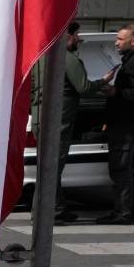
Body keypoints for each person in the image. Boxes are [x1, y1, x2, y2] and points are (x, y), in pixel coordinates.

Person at [30, 21, 92, 223]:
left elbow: (31, 90)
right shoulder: (67, 59)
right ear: (67, 36)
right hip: (59, 122)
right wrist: (104, 83)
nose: (78, 39)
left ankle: (51, 209)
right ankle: (51, 212)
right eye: (76, 35)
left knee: (46, 168)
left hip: (41, 119)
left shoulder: (39, 58)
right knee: (53, 169)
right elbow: (84, 88)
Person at [97, 21, 134, 224]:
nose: (116, 43)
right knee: (126, 169)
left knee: (122, 169)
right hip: (124, 122)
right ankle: (125, 211)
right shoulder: (131, 60)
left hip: (127, 125)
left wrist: (115, 92)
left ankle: (122, 213)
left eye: (120, 39)